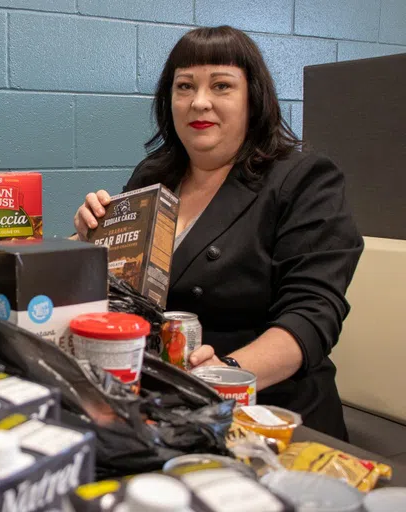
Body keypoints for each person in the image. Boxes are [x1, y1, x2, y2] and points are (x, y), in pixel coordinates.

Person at [73, 26, 363, 440]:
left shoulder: (304, 180)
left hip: (266, 414)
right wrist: (90, 243)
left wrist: (222, 376)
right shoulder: (153, 175)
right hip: (162, 403)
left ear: (253, 100)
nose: (199, 101)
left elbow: (312, 316)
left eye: (222, 85)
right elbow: (125, 290)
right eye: (185, 86)